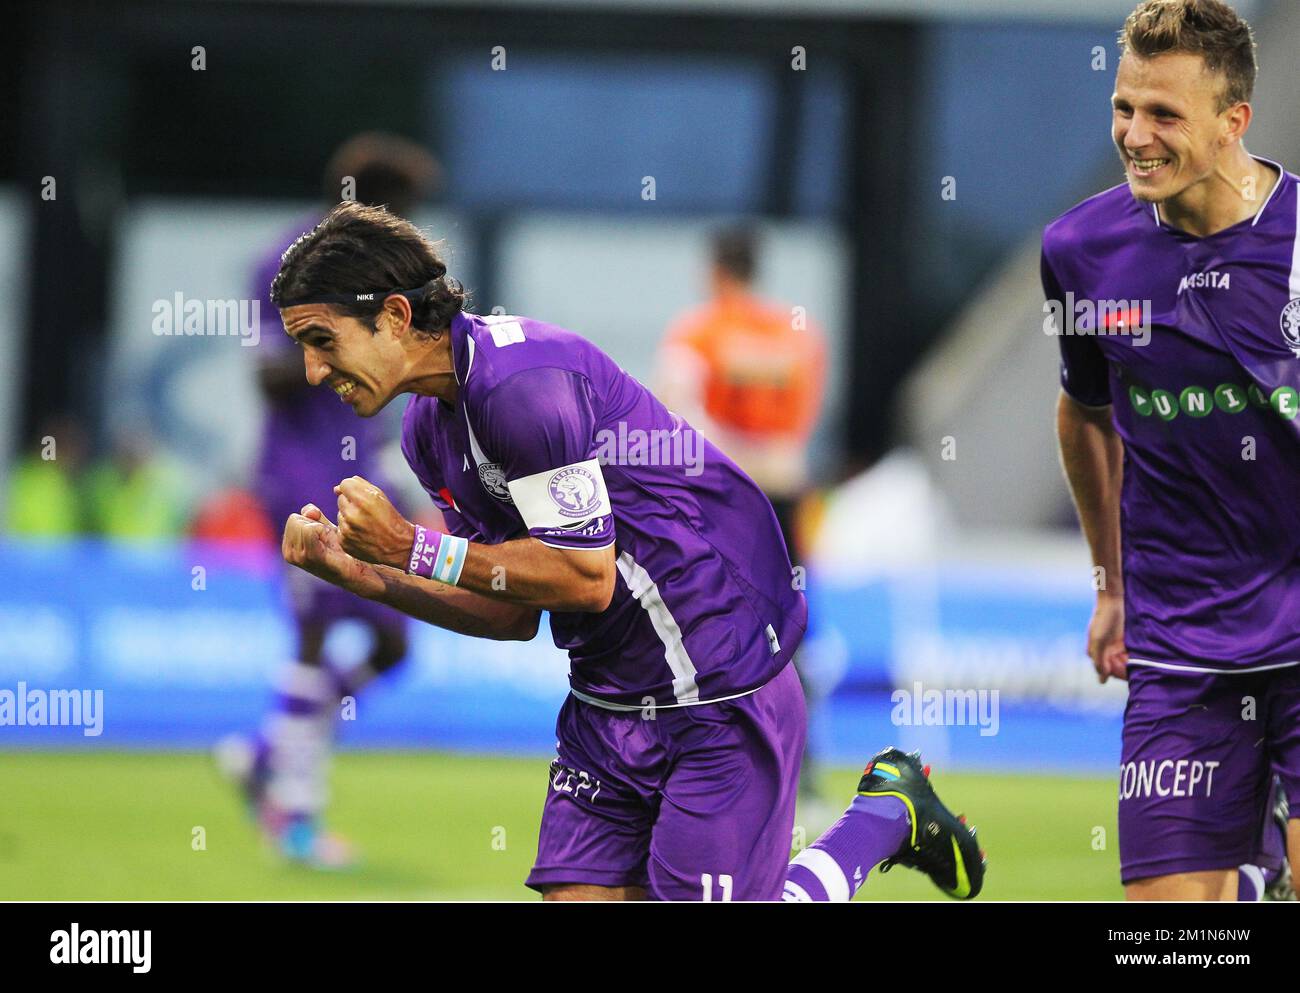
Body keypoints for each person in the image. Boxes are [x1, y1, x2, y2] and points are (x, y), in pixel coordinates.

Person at [268, 201, 984, 900]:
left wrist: (409, 545)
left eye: (321, 339)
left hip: (716, 672)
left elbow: (585, 579)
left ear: (394, 316)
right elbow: (512, 611)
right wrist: (364, 572)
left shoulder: (522, 387)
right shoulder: (430, 428)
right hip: (606, 693)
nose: (310, 370)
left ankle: (886, 816)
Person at [1045, 0, 1298, 900]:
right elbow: (1083, 413)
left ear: (1235, 122)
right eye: (1125, 108)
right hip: (1180, 637)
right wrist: (1109, 584)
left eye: (1164, 116)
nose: (1135, 136)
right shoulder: (1080, 251)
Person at [218, 134, 438, 867]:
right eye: (399, 213)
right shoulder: (287, 266)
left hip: (361, 471)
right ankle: (297, 821)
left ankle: (265, 752)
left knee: (393, 641)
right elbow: (271, 377)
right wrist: (334, 338)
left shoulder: (386, 284)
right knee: (312, 640)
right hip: (299, 474)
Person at [657, 227, 831, 808]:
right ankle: (799, 772)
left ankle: (703, 765)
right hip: (785, 491)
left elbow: (673, 417)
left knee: (700, 627)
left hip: (722, 495)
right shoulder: (796, 335)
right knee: (788, 631)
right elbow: (804, 421)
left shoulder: (698, 332)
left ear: (714, 270)